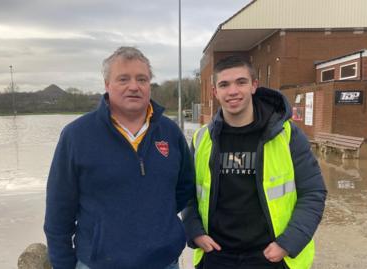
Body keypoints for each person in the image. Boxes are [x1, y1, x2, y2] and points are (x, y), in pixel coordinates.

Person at [44, 46, 195, 269]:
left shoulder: (170, 132)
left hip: (164, 263)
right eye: (123, 79)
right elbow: (59, 211)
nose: (134, 86)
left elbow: (184, 188)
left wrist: (157, 222)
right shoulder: (76, 136)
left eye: (141, 79)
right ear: (107, 84)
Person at [182, 56, 327, 269]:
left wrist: (287, 244)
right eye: (224, 84)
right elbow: (186, 194)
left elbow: (313, 193)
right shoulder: (202, 139)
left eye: (241, 82)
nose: (232, 91)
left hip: (272, 256)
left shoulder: (287, 136)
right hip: (216, 256)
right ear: (215, 92)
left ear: (254, 86)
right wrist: (194, 232)